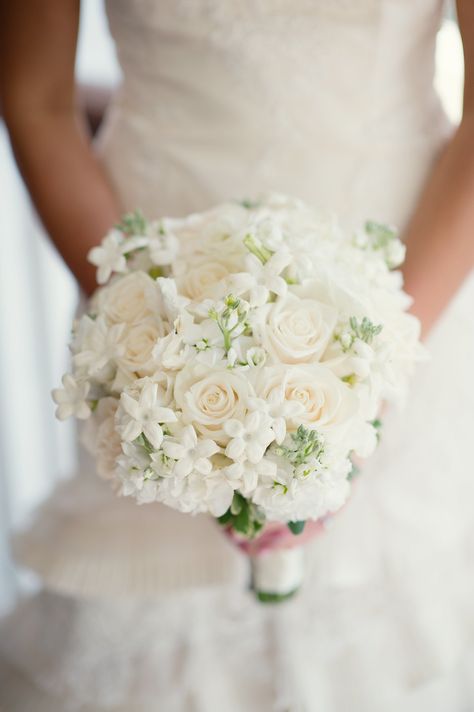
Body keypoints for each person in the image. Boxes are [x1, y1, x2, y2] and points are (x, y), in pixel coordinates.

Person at [1, 1, 474, 710]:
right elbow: (34, 99)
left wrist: (362, 382)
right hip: (150, 289)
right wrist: (151, 348)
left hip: (408, 284)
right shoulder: (148, 335)